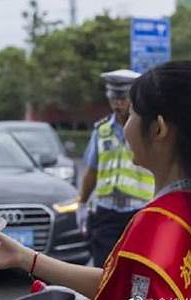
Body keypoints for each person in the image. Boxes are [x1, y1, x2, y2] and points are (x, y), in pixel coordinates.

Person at [0, 61, 191, 300]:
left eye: (133, 113)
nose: (126, 125)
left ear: (158, 129)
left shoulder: (158, 223)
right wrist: (26, 258)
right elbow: (118, 282)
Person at [76, 69, 155, 267]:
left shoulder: (149, 130)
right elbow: (92, 171)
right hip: (107, 214)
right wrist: (83, 203)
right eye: (113, 99)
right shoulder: (101, 130)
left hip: (140, 212)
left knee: (138, 271)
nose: (117, 104)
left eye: (123, 99)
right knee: (104, 271)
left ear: (134, 99)